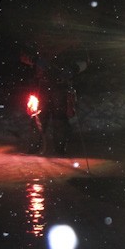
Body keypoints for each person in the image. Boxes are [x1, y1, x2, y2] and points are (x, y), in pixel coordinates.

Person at [20, 19, 88, 155]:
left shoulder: (73, 40)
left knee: (60, 119)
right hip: (41, 85)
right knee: (38, 116)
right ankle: (35, 147)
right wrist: (35, 60)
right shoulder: (39, 38)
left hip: (61, 85)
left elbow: (84, 61)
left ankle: (60, 149)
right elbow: (23, 55)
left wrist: (73, 69)